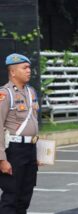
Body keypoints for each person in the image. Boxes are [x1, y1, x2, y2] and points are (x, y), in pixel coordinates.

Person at [0, 53, 39, 214]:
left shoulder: (31, 92)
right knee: (11, 197)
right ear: (13, 72)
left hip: (30, 149)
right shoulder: (5, 94)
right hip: (13, 150)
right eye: (24, 68)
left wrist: (38, 152)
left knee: (25, 196)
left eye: (29, 67)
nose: (29, 70)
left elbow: (34, 123)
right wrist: (2, 158)